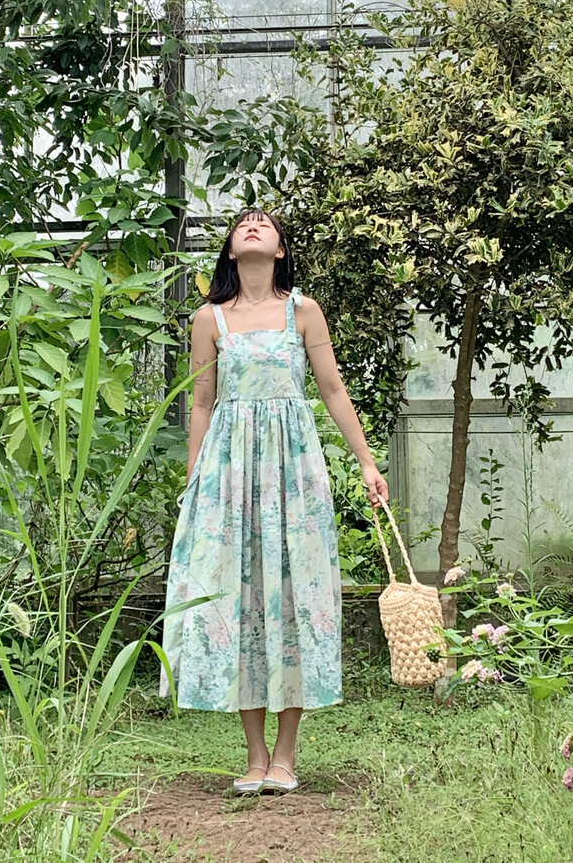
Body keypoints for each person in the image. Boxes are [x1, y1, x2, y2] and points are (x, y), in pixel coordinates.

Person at [159, 208, 388, 795]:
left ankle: (286, 755)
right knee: (241, 598)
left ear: (281, 249)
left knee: (292, 594)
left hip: (293, 468)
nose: (254, 227)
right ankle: (255, 756)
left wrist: (367, 462)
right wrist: (195, 481)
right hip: (230, 471)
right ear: (231, 250)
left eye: (265, 224)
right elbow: (202, 403)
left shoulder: (303, 311)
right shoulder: (208, 318)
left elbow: (332, 389)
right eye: (244, 224)